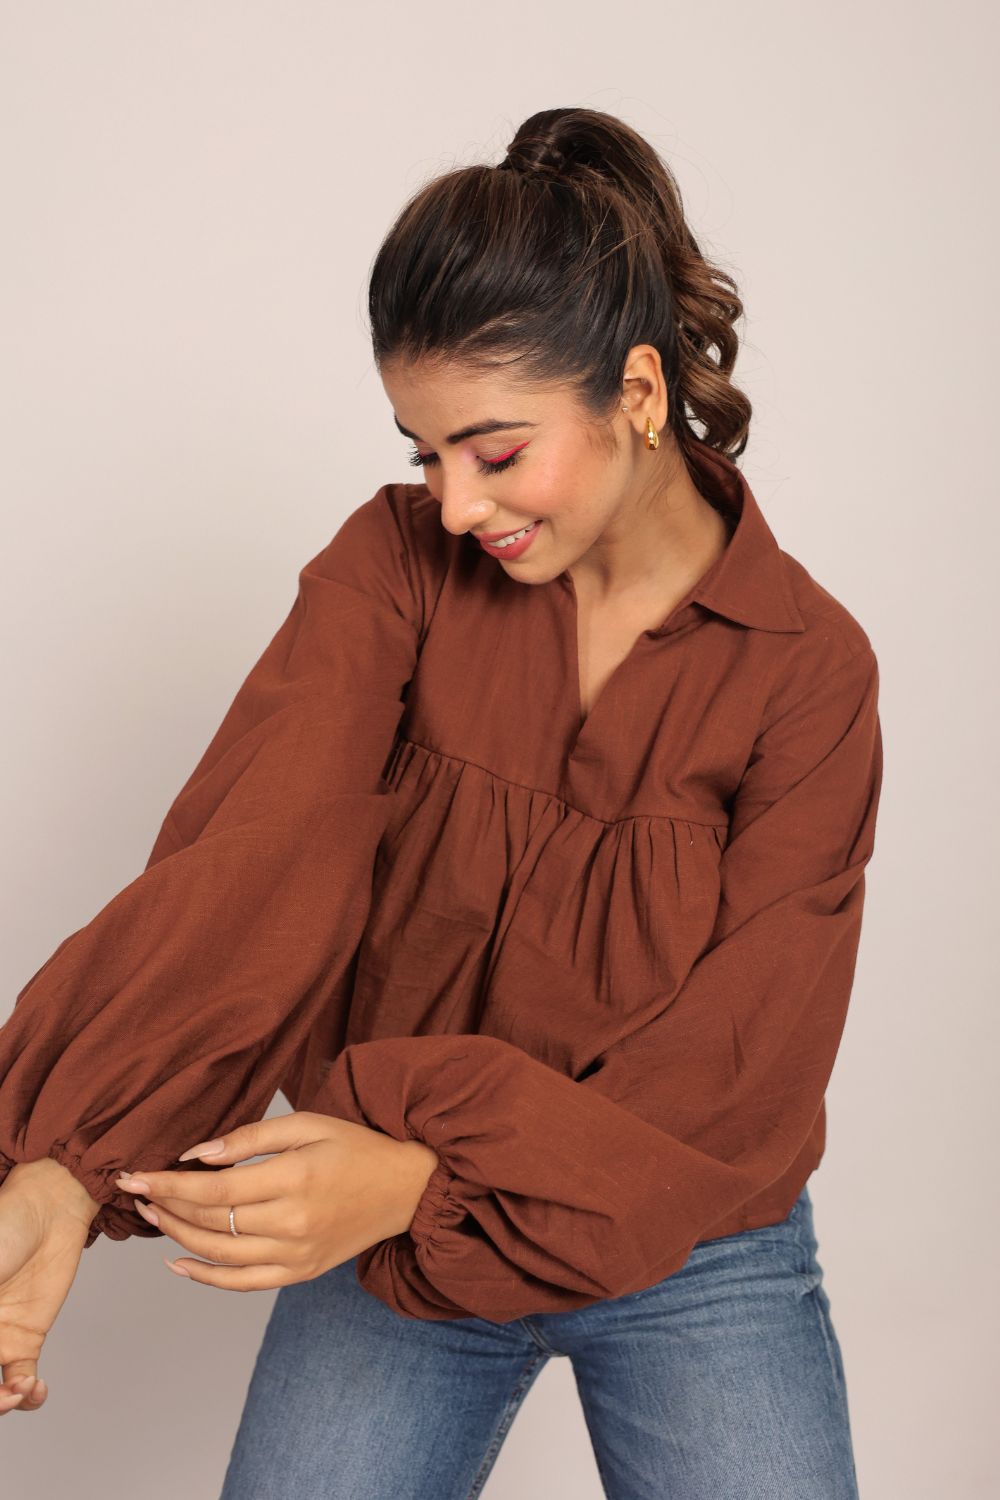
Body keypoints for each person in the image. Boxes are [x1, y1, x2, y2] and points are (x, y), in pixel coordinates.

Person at [0, 106, 882, 1498]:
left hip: (687, 1237)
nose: (455, 503)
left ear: (637, 392)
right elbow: (257, 858)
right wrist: (63, 1168)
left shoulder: (806, 671)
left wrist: (423, 1179)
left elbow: (737, 1073)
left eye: (494, 450)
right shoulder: (398, 568)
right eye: (424, 452)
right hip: (390, 1222)